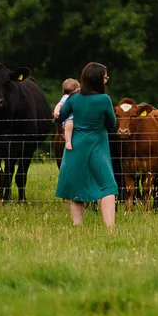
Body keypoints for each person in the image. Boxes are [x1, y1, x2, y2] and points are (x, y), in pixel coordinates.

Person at [55, 62, 119, 230]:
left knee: (77, 184)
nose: (107, 80)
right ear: (98, 79)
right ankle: (110, 228)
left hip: (76, 145)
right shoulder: (105, 99)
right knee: (108, 185)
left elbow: (59, 118)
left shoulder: (74, 98)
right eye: (105, 77)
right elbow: (112, 123)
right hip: (98, 144)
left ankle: (78, 227)